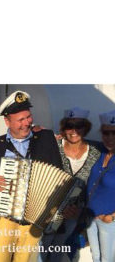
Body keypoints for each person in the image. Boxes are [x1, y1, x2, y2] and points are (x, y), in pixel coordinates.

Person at [0, 91, 64, 262]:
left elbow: (59, 175)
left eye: (28, 117)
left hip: (34, 219)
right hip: (5, 218)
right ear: (7, 121)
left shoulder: (46, 138)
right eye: (20, 120)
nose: (27, 123)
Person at [39, 108, 101, 261]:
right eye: (69, 125)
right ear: (63, 128)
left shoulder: (95, 152)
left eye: (79, 125)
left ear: (85, 127)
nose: (74, 130)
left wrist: (80, 209)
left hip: (74, 214)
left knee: (58, 253)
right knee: (40, 251)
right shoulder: (54, 146)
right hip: (49, 212)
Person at [86, 110, 115, 262]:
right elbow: (78, 140)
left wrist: (112, 217)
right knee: (96, 257)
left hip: (109, 221)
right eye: (106, 133)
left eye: (114, 133)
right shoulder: (101, 152)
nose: (109, 138)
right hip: (91, 218)